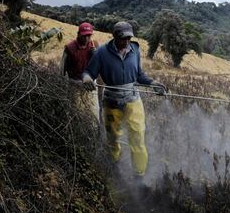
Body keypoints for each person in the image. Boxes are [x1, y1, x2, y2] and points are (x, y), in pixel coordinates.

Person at [82, 21, 167, 178]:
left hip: (133, 99)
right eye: (123, 38)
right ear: (115, 36)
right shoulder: (101, 53)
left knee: (138, 135)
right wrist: (87, 79)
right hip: (111, 101)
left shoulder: (135, 50)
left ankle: (139, 175)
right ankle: (114, 167)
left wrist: (153, 84)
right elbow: (89, 72)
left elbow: (139, 75)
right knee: (113, 137)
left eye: (129, 38)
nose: (126, 42)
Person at [60, 22, 100, 127]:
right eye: (84, 35)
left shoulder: (94, 45)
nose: (87, 38)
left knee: (92, 112)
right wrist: (67, 83)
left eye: (89, 35)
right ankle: (78, 133)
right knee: (77, 113)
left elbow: (99, 66)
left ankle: (93, 134)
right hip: (75, 85)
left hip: (90, 85)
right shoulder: (69, 48)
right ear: (78, 34)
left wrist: (95, 54)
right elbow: (62, 71)